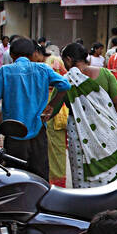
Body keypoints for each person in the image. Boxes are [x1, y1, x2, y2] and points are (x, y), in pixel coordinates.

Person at [0, 37, 70, 182]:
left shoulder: (5, 71)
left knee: (16, 178)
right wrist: (51, 105)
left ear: (12, 54)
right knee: (40, 176)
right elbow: (65, 85)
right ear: (32, 53)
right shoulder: (43, 69)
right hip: (38, 131)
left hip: (14, 134)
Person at [59, 41, 117, 187]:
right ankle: (112, 196)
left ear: (69, 60)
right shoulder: (105, 73)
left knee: (82, 168)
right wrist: (107, 116)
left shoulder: (66, 80)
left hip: (79, 132)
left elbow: (54, 108)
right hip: (106, 129)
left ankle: (86, 202)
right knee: (111, 168)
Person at [42, 49, 69, 188]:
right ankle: (58, 182)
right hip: (58, 113)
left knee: (47, 151)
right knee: (58, 152)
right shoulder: (58, 66)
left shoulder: (44, 67)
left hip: (47, 110)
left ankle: (49, 181)